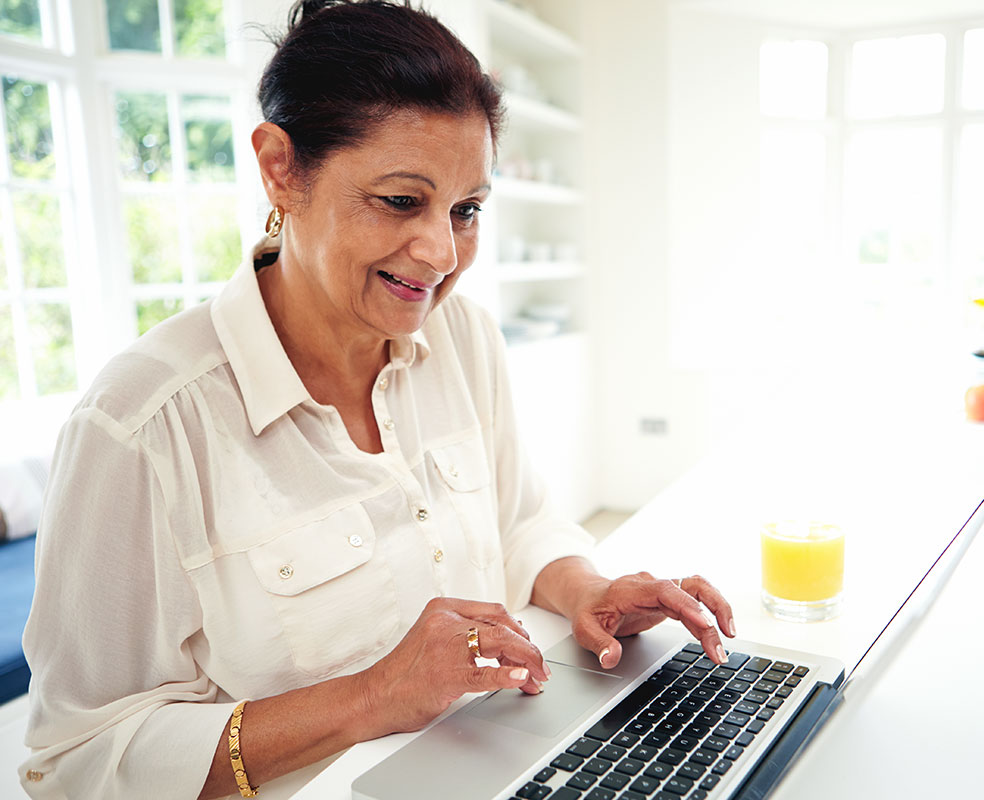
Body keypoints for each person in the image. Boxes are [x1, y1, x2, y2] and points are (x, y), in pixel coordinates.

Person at [19, 2, 735, 798]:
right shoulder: (142, 425)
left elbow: (521, 521)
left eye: (466, 210)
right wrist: (369, 697)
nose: (440, 253)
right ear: (280, 167)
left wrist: (587, 590)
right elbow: (75, 761)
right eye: (401, 201)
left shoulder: (463, 337)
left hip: (499, 768)